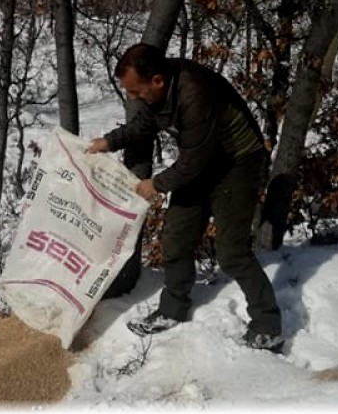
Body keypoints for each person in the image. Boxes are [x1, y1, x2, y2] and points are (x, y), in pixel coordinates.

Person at [87, 43, 283, 352]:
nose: (133, 98)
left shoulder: (194, 93)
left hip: (237, 163)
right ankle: (172, 308)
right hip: (201, 163)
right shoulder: (160, 90)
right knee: (176, 238)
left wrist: (157, 184)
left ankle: (268, 325)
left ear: (157, 81)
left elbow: (193, 161)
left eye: (136, 92)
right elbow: (146, 123)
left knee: (231, 252)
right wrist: (109, 142)